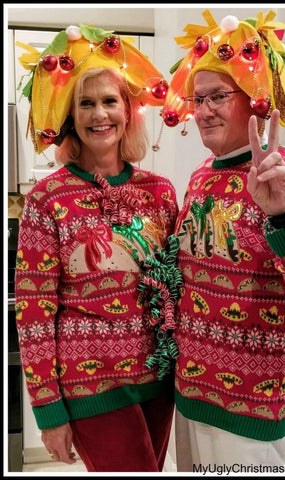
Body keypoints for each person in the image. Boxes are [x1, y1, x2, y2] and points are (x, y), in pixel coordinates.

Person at [161, 10, 285, 469]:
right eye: (197, 98)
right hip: (192, 395)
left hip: (253, 409)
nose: (204, 110)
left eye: (219, 96)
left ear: (255, 98)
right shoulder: (201, 178)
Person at [15, 25, 179, 472]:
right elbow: (33, 309)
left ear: (128, 111)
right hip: (91, 385)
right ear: (71, 116)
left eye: (110, 101)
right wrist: (49, 411)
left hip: (158, 379)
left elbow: (177, 285)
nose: (98, 114)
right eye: (85, 103)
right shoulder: (47, 199)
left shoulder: (160, 192)